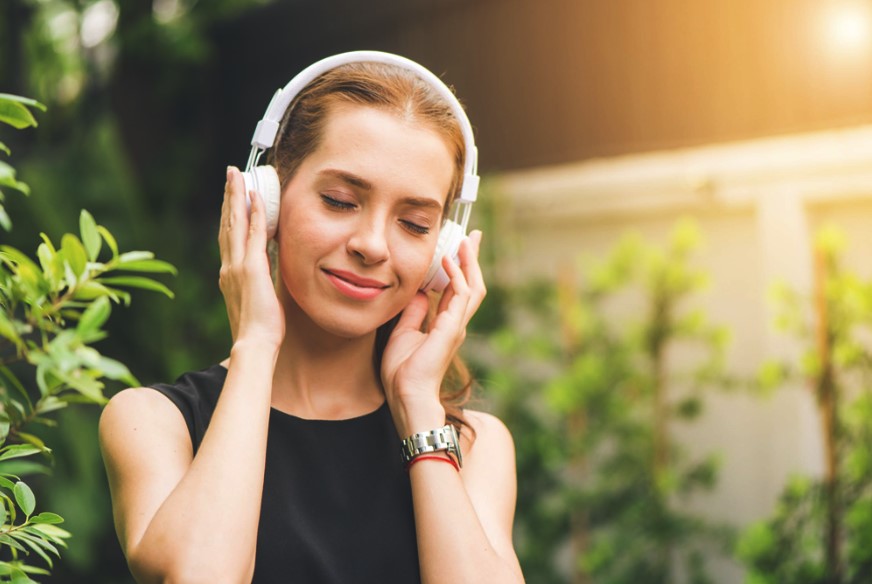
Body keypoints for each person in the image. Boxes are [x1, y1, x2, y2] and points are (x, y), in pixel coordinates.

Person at [99, 51, 524, 584]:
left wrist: (418, 408)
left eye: (414, 224)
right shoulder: (155, 422)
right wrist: (254, 344)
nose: (372, 245)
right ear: (266, 201)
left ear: (443, 251)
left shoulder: (472, 445)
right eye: (340, 200)